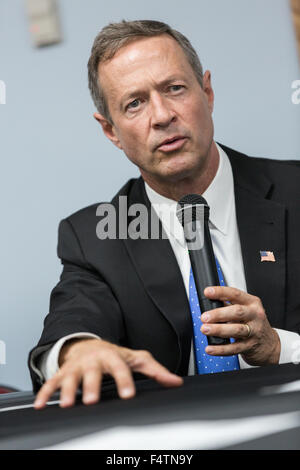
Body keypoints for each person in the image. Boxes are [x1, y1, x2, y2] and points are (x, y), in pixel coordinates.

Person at [29, 20, 300, 410]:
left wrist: (280, 347)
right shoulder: (93, 236)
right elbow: (73, 320)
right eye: (134, 103)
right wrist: (77, 351)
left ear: (206, 91)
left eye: (174, 88)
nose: (161, 115)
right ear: (110, 131)